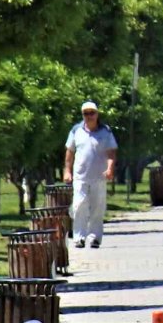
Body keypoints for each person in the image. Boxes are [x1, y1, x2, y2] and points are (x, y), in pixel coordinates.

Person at [64, 101, 117, 249]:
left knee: (97, 207)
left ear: (97, 114)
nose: (89, 116)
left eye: (91, 113)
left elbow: (111, 152)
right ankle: (79, 237)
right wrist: (67, 171)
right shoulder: (76, 131)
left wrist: (110, 168)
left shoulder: (105, 131)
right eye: (86, 114)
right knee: (79, 205)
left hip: (99, 176)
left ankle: (94, 237)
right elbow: (69, 152)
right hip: (80, 176)